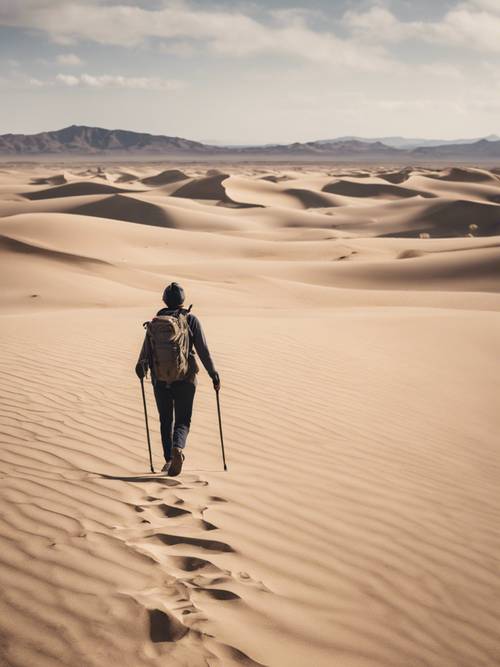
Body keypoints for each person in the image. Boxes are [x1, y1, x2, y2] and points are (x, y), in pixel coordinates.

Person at [135, 282, 220, 476]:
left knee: (166, 420)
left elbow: (144, 354)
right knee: (182, 420)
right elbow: (203, 351)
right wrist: (213, 374)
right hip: (186, 379)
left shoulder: (155, 322)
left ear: (164, 300)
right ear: (183, 301)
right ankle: (178, 448)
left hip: (160, 380)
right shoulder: (190, 320)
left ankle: (168, 460)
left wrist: (141, 368)